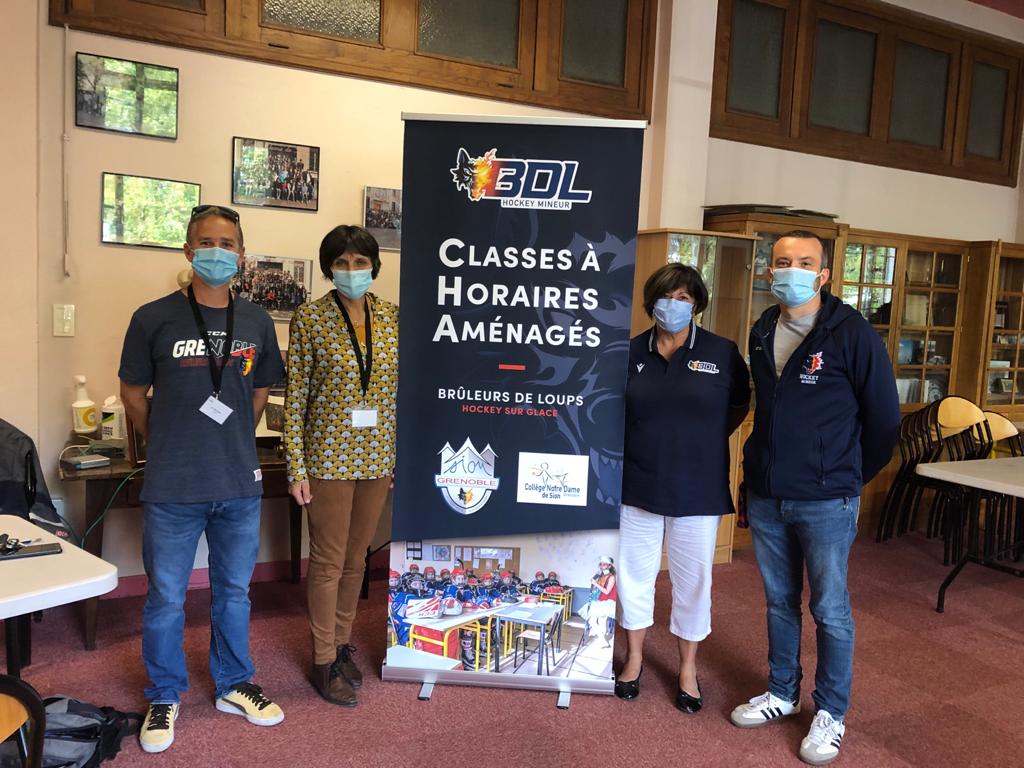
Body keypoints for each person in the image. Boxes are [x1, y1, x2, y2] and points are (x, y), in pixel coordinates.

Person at [119, 205, 286, 754]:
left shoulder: (257, 321)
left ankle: (234, 683)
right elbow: (132, 396)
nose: (218, 250)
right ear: (189, 251)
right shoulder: (152, 317)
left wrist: (230, 432)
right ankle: (165, 692)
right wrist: (167, 440)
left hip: (238, 482)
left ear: (241, 253)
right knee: (166, 598)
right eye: (206, 241)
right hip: (173, 486)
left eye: (228, 242)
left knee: (234, 594)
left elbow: (261, 393)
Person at [729, 231, 899, 765]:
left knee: (829, 609)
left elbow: (885, 421)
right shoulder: (762, 328)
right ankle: (782, 692)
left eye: (805, 263)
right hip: (769, 493)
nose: (792, 270)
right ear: (769, 271)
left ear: (823, 275)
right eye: (783, 262)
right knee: (779, 602)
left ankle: (830, 712)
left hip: (828, 500)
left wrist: (847, 477)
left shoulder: (852, 334)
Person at [616, 263, 750, 715]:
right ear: (650, 302)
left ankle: (687, 668)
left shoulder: (723, 352)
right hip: (636, 484)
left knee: (694, 583)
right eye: (665, 296)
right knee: (633, 576)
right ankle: (633, 659)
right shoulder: (628, 352)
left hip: (697, 487)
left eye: (683, 298)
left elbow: (739, 404)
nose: (672, 305)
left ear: (696, 305)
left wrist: (699, 438)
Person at [284, 225, 399, 707]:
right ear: (330, 267)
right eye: (342, 263)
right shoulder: (310, 320)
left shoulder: (393, 319)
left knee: (358, 561)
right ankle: (322, 658)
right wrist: (297, 467)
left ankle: (343, 642)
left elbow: (397, 394)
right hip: (328, 456)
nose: (352, 271)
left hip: (376, 458)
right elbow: (296, 401)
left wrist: (397, 457)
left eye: (360, 262)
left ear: (374, 266)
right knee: (329, 562)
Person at [588, 554, 618, 646]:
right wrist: (595, 582)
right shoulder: (600, 576)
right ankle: (603, 640)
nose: (602, 566)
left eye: (604, 564)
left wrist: (596, 584)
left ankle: (603, 641)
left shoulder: (611, 577)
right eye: (600, 564)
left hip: (606, 602)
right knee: (594, 621)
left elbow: (606, 591)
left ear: (609, 566)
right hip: (598, 601)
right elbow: (597, 590)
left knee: (600, 621)